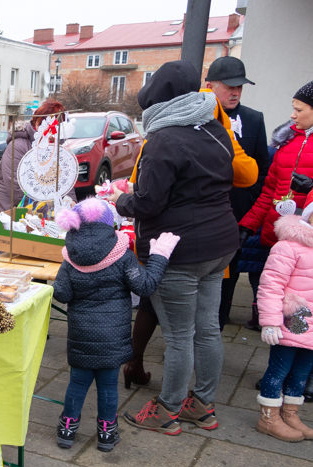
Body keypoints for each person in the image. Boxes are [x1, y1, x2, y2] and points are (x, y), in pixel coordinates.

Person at [111, 61, 238, 435]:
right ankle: (202, 404)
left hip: (179, 252)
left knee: (180, 335)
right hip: (221, 244)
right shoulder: (215, 129)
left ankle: (167, 409)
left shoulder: (163, 140)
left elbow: (149, 203)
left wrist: (120, 202)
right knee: (208, 329)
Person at [52, 198, 178, 452]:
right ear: (110, 225)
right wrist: (159, 257)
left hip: (81, 335)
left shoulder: (70, 257)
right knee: (108, 386)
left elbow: (62, 294)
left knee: (77, 383)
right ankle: (107, 434)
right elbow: (144, 286)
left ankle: (67, 428)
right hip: (112, 336)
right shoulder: (122, 256)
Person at [204, 57, 271, 330]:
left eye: (240, 87)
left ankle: (220, 319)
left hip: (239, 214)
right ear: (210, 86)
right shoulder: (197, 117)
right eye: (229, 86)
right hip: (203, 213)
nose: (235, 92)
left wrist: (252, 215)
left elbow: (263, 170)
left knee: (230, 271)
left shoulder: (254, 119)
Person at [240, 80, 313, 328]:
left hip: (307, 244)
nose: (293, 114)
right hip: (277, 237)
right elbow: (269, 191)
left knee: (300, 309)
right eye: (293, 108)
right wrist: (248, 225)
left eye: (300, 109)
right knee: (273, 294)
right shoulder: (287, 142)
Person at [254, 209, 313, 442]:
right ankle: (268, 416)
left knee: (302, 371)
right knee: (279, 368)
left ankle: (290, 413)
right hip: (293, 320)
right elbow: (271, 284)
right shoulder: (288, 246)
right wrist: (270, 322)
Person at [0, 99, 65, 215]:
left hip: (40, 214)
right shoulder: (17, 146)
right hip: (11, 214)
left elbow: (64, 180)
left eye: (57, 128)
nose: (53, 134)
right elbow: (16, 187)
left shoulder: (56, 147)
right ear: (37, 123)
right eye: (51, 127)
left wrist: (70, 202)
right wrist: (47, 211)